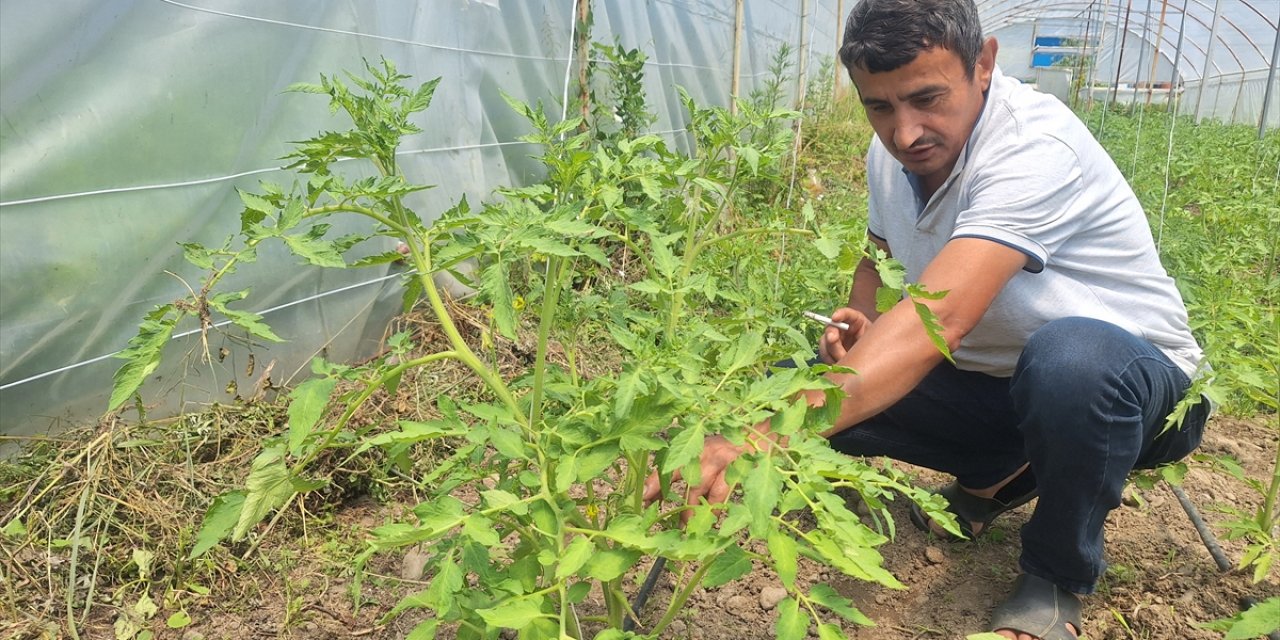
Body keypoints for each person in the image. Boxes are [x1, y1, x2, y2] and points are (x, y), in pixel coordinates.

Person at [643, 0, 1209, 638]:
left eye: (928, 99)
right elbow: (877, 249)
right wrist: (861, 317)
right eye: (878, 107)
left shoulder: (1033, 146)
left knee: (1069, 362)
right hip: (993, 385)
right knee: (789, 382)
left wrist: (758, 437)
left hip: (1132, 394)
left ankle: (1054, 580)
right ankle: (1000, 470)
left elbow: (938, 322)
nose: (905, 132)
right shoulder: (890, 154)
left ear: (985, 64)